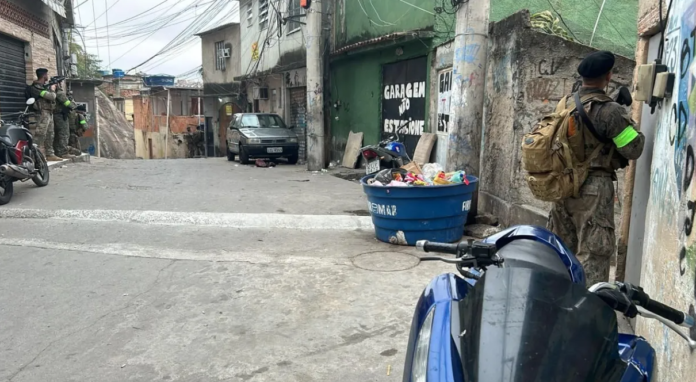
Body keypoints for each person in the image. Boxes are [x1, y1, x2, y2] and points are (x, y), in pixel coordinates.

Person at [547, 51, 645, 287]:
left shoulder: (565, 103)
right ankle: (589, 312)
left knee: (560, 251)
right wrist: (628, 120)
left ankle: (558, 305)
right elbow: (633, 149)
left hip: (563, 184)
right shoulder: (610, 111)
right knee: (593, 253)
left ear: (582, 77)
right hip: (593, 187)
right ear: (608, 76)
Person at [27, 68, 62, 161]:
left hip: (49, 112)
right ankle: (33, 156)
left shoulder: (43, 86)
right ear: (43, 75)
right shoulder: (36, 87)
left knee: (50, 134)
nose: (48, 76)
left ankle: (50, 154)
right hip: (42, 113)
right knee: (40, 134)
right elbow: (51, 96)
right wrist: (53, 89)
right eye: (47, 74)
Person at [53, 80, 77, 159]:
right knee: (64, 134)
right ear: (59, 84)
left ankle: (58, 151)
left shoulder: (56, 93)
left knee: (59, 134)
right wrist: (73, 103)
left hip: (58, 115)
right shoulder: (60, 93)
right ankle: (63, 152)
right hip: (60, 116)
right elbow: (69, 105)